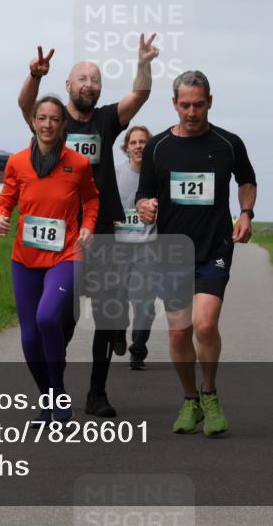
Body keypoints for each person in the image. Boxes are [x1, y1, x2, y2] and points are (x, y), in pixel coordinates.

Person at [17, 35, 158, 418]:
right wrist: (34, 76)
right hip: (61, 231)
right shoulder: (54, 120)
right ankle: (55, 391)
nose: (89, 85)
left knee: (107, 313)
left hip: (103, 232)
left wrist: (143, 64)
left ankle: (97, 392)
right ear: (68, 85)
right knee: (61, 317)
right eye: (82, 78)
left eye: (95, 80)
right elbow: (27, 106)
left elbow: (139, 97)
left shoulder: (106, 119)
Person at [136, 70, 257, 436]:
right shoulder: (157, 147)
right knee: (178, 333)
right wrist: (144, 207)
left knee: (205, 324)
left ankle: (211, 394)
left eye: (198, 105)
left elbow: (247, 180)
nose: (192, 112)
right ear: (174, 104)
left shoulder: (228, 143)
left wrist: (246, 214)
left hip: (213, 247)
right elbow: (143, 195)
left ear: (210, 102)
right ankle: (190, 400)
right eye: (185, 105)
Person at [0, 96, 100, 424]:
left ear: (63, 124)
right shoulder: (18, 162)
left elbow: (92, 199)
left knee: (48, 318)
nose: (48, 124)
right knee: (28, 338)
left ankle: (56, 388)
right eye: (42, 118)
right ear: (33, 122)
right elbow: (6, 198)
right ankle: (51, 397)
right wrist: (0, 216)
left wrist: (87, 227)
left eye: (55, 119)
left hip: (66, 255)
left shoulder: (77, 164)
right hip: (24, 259)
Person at [113, 126, 157, 370]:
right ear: (126, 147)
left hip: (148, 246)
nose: (139, 146)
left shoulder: (158, 175)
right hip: (118, 247)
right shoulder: (116, 173)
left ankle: (138, 349)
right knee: (117, 299)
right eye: (134, 142)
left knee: (144, 302)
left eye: (144, 142)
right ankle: (119, 329)